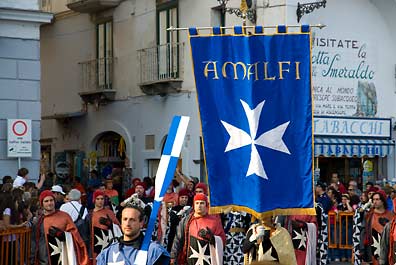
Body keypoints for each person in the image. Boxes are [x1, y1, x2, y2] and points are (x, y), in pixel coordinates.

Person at [96, 204, 170, 264]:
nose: (127, 224)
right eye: (125, 219)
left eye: (132, 220)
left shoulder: (154, 252)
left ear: (141, 223)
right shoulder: (107, 253)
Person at [30, 190, 89, 265]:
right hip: (44, 260)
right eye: (46, 201)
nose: (49, 203)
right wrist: (32, 259)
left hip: (63, 258)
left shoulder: (65, 216)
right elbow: (34, 241)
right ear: (42, 204)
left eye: (51, 200)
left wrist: (62, 235)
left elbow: (76, 237)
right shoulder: (38, 221)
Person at [170, 193, 226, 265]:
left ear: (206, 205)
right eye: (197, 203)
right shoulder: (186, 221)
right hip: (189, 261)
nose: (199, 206)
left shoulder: (214, 221)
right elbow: (178, 239)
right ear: (194, 204)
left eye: (202, 203)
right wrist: (173, 257)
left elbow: (223, 240)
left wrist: (212, 238)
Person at [360, 191, 393, 265]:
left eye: (377, 199)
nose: (375, 202)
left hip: (387, 248)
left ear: (383, 201)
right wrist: (362, 249)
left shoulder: (391, 216)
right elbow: (363, 232)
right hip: (371, 248)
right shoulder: (369, 215)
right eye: (374, 199)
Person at [91, 189, 122, 264]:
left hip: (109, 242)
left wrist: (111, 225)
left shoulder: (109, 213)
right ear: (94, 200)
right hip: (95, 244)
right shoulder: (90, 215)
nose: (100, 201)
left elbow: (119, 228)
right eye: (98, 199)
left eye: (102, 199)